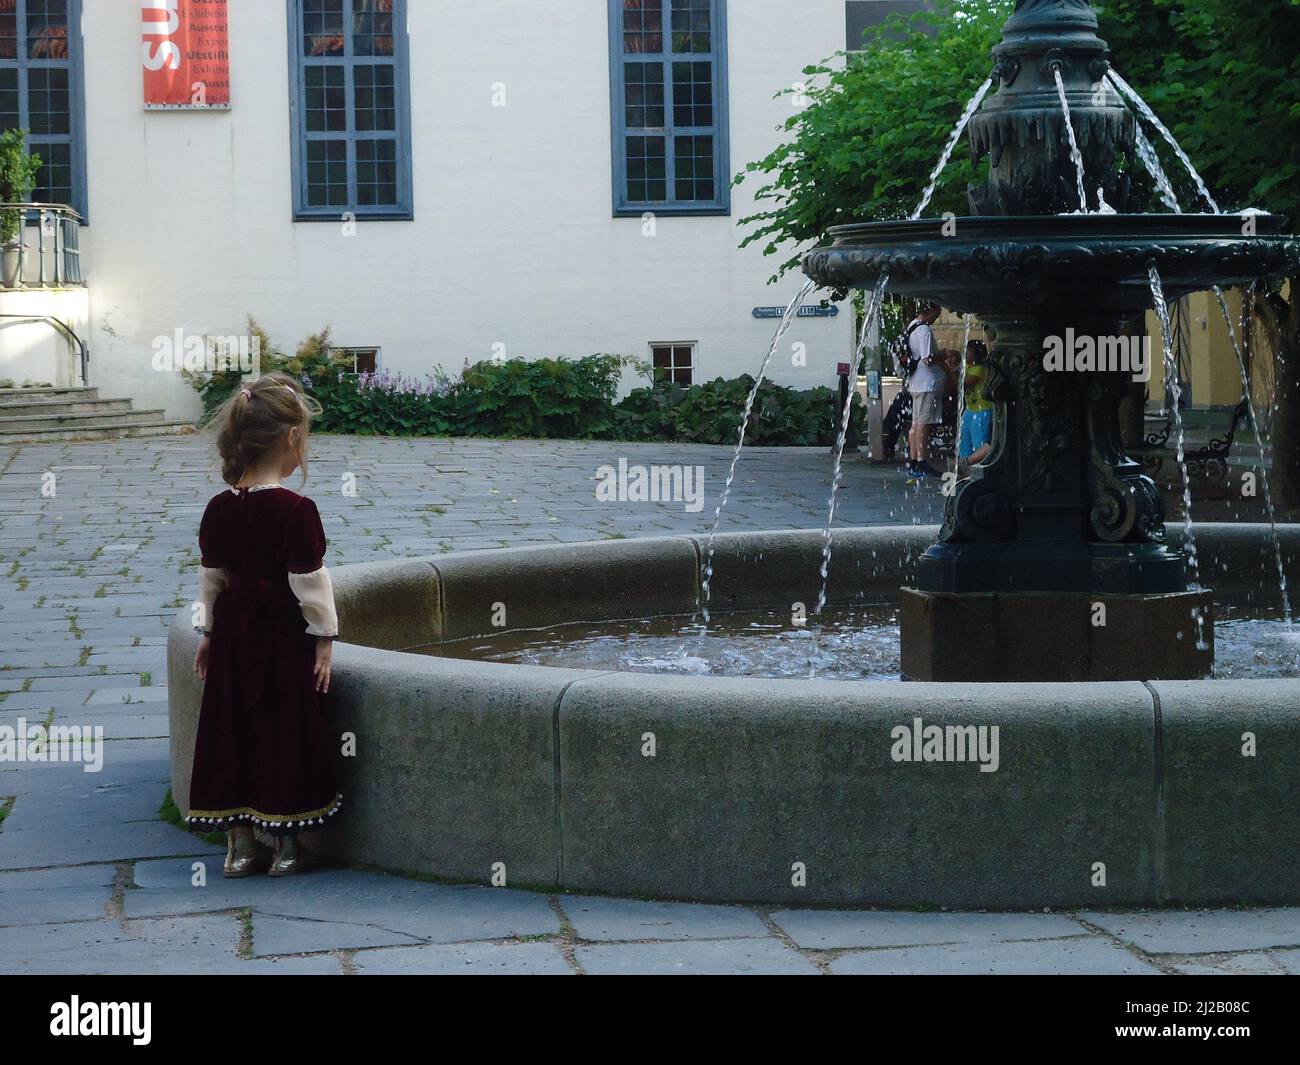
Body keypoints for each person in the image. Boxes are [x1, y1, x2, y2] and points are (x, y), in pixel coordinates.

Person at [188, 372, 342, 878]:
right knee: (283, 726)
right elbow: (309, 584)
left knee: (230, 723)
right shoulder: (296, 510)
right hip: (279, 637)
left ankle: (238, 845)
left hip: (235, 635)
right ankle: (288, 845)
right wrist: (324, 640)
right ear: (294, 439)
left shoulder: (217, 508)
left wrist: (210, 633)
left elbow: (212, 579)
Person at [904, 302, 946, 478]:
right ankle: (921, 462)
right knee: (923, 425)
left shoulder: (912, 325)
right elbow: (927, 358)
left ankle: (914, 462)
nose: (939, 315)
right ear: (931, 310)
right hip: (926, 384)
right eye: (938, 311)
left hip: (916, 383)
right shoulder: (924, 330)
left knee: (916, 424)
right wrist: (943, 354)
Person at [959, 339, 994, 471]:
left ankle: (979, 471)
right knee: (964, 444)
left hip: (982, 412)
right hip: (969, 411)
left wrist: (946, 369)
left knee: (979, 443)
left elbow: (963, 384)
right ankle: (964, 469)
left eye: (967, 352)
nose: (965, 354)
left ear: (976, 354)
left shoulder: (979, 369)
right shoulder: (969, 367)